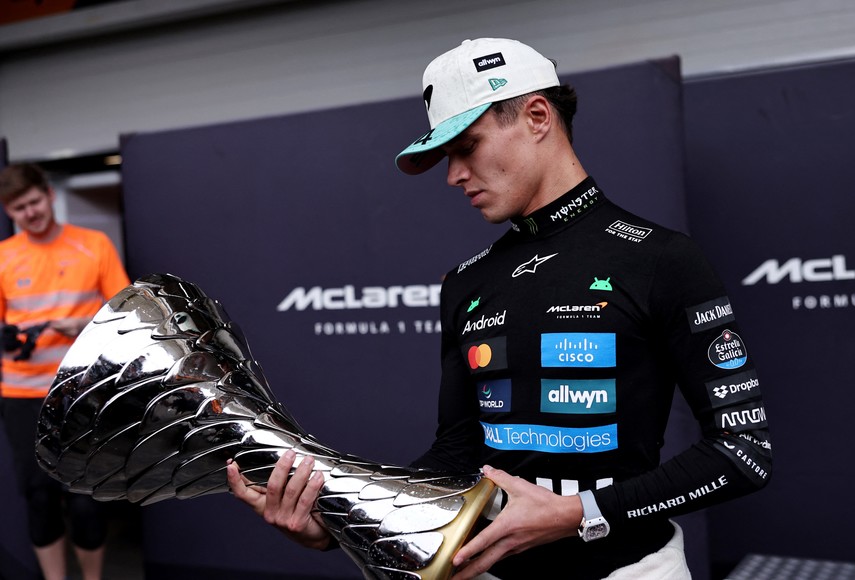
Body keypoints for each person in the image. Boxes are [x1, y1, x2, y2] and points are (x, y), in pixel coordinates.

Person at [228, 38, 772, 579]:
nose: (454, 175)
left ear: (537, 116)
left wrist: (584, 515)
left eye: (467, 146)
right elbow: (457, 454)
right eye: (447, 156)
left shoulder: (659, 258)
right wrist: (340, 524)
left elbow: (743, 451)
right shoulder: (467, 282)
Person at [0, 163, 131, 580]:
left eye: (35, 201)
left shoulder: (93, 244)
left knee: (85, 500)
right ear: (10, 212)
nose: (31, 212)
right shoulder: (4, 256)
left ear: (49, 195)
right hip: (22, 396)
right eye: (20, 208)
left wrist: (85, 324)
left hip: (82, 392)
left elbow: (127, 313)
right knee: (39, 497)